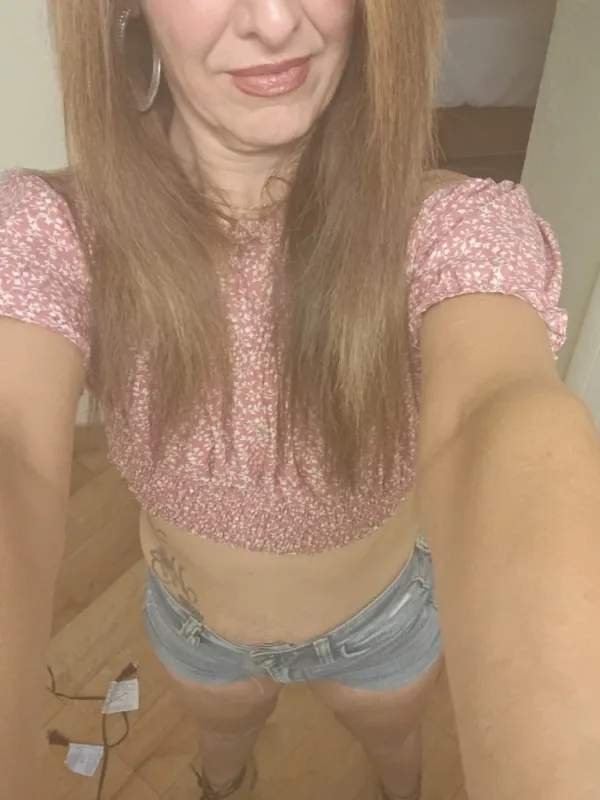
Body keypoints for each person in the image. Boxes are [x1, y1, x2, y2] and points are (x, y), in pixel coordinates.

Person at [1, 1, 600, 798]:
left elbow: (490, 418)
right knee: (222, 750)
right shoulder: (59, 234)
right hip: (194, 628)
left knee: (397, 758)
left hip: (380, 628)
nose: (277, 21)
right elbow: (14, 444)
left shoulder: (450, 228)